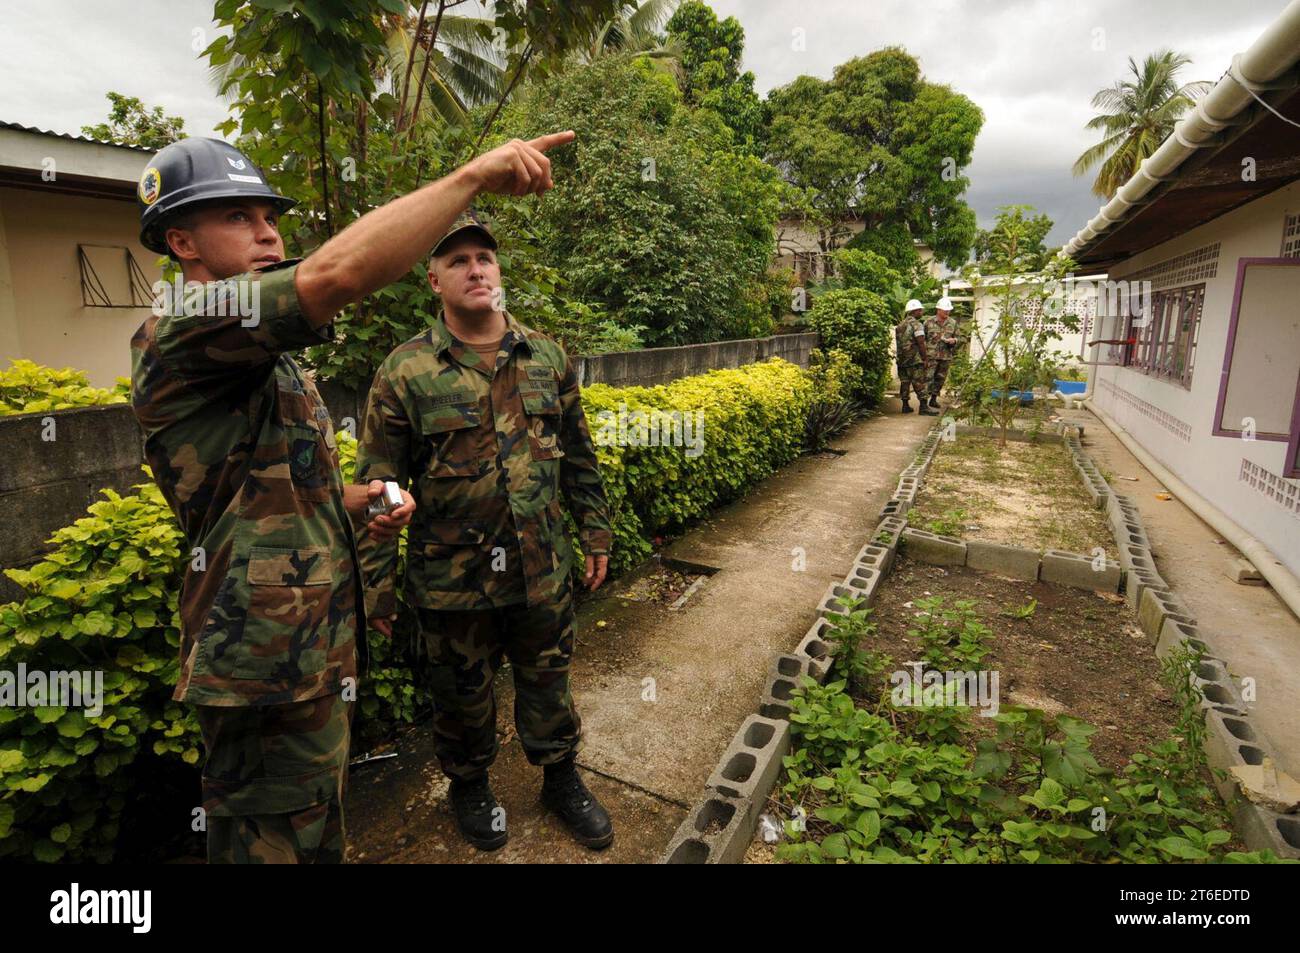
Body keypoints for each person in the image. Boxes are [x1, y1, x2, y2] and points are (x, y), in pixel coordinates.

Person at [129, 129, 572, 862]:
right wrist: (470, 174)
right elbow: (334, 274)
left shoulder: (267, 364)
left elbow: (275, 492)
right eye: (238, 218)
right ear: (181, 240)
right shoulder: (181, 327)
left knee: (312, 841)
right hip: (261, 669)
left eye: (270, 217)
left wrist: (363, 497)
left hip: (306, 659)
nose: (268, 233)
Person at [354, 212, 614, 852]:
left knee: (549, 682)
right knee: (461, 698)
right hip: (452, 583)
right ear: (434, 280)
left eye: (485, 259)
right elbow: (377, 484)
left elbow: (578, 457)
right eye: (459, 261)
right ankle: (470, 785)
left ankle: (560, 778)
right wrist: (378, 587)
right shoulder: (405, 371)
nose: (476, 269)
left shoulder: (547, 355)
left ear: (499, 273)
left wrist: (597, 535)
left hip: (541, 569)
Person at [895, 299, 935, 415]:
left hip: (902, 360)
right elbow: (921, 342)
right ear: (915, 311)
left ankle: (905, 406)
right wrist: (925, 358)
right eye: (920, 310)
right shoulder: (917, 325)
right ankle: (923, 407)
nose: (922, 312)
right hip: (914, 359)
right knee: (919, 382)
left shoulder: (900, 325)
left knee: (905, 382)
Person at [924, 296, 962, 408]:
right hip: (931, 356)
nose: (947, 312)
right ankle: (923, 402)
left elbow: (960, 338)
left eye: (949, 310)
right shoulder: (928, 322)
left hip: (945, 357)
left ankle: (933, 399)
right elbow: (922, 340)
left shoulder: (953, 323)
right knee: (928, 378)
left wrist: (954, 340)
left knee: (940, 379)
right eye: (945, 310)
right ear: (938, 310)